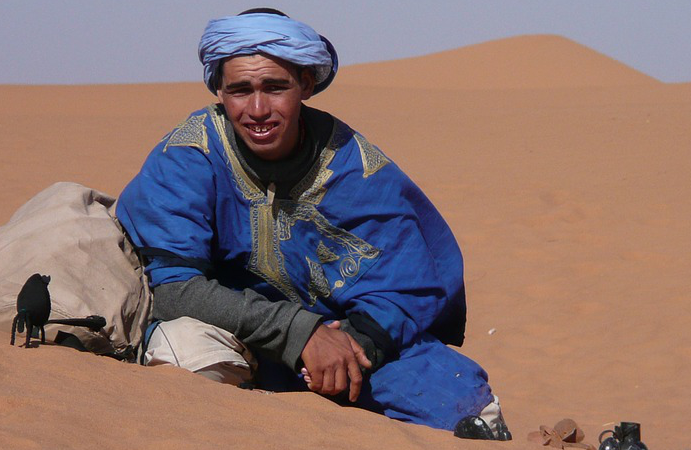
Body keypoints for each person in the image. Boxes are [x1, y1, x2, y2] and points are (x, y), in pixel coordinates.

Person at [116, 8, 511, 440]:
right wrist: (299, 333)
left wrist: (351, 348)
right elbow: (174, 289)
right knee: (189, 358)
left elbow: (406, 285)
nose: (258, 109)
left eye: (275, 87)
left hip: (339, 341)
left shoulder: (355, 166)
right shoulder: (190, 154)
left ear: (305, 84)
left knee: (458, 399)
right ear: (219, 90)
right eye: (240, 90)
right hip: (231, 335)